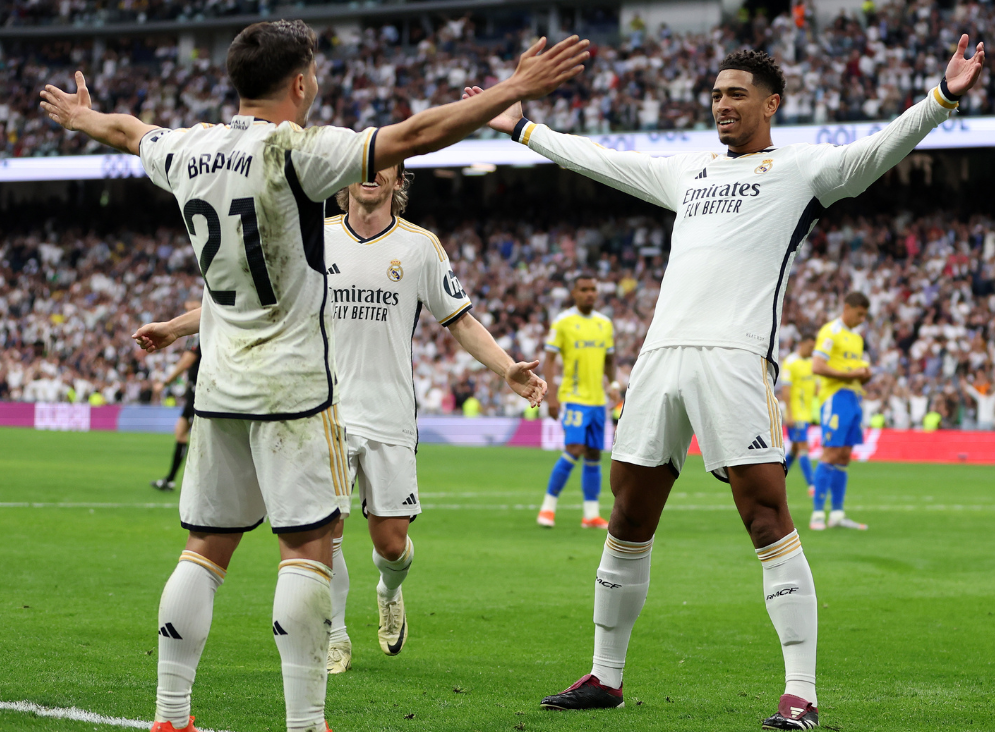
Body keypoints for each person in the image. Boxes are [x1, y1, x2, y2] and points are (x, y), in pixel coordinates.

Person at [41, 19, 590, 732]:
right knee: (306, 550)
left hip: (219, 388)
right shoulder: (300, 150)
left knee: (204, 551)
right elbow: (417, 135)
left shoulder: (189, 146)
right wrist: (514, 89)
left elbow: (127, 132)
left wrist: (83, 117)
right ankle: (306, 722)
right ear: (299, 82)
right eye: (317, 75)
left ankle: (169, 715)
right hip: (295, 386)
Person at [465, 35, 985, 729]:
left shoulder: (802, 169)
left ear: (771, 103)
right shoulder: (691, 171)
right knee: (627, 516)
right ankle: (606, 675)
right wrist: (526, 129)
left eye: (736, 94)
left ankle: (800, 693)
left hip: (735, 358)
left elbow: (875, 153)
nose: (722, 105)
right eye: (715, 95)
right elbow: (606, 162)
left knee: (765, 515)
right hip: (660, 358)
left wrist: (941, 99)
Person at [322, 162, 547, 674]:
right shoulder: (316, 238)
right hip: (327, 412)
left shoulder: (421, 246)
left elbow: (460, 322)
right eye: (362, 164)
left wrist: (507, 368)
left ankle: (389, 589)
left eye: (385, 167)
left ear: (399, 182)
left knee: (392, 545)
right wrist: (183, 329)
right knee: (325, 531)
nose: (372, 173)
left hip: (391, 414)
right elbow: (258, 300)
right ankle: (334, 634)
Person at [536, 274, 619, 530]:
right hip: (573, 399)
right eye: (584, 289)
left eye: (593, 289)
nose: (589, 294)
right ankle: (547, 509)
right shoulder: (563, 322)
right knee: (574, 449)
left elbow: (610, 359)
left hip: (598, 401)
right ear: (574, 293)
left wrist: (613, 385)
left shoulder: (605, 324)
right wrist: (551, 394)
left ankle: (591, 515)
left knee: (594, 454)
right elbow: (549, 359)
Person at [810, 292, 872, 532]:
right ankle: (817, 513)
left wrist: (865, 375)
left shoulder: (856, 338)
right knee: (831, 453)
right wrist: (851, 374)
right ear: (847, 308)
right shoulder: (830, 331)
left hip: (854, 397)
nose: (862, 319)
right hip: (835, 398)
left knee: (845, 455)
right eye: (860, 314)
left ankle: (837, 513)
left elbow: (854, 370)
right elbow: (818, 366)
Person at [152, 300, 202, 491]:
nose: (188, 312)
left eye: (192, 309)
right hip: (194, 389)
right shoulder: (195, 335)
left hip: (200, 389)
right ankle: (171, 479)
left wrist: (165, 382)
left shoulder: (200, 333)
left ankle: (182, 481)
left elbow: (186, 361)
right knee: (181, 430)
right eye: (186, 309)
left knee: (191, 433)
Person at [779, 331, 817, 493]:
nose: (812, 351)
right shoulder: (790, 362)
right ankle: (813, 485)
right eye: (810, 347)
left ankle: (777, 478)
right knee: (803, 447)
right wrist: (790, 413)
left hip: (806, 413)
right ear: (801, 344)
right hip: (796, 413)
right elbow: (786, 389)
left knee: (795, 450)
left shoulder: (810, 362)